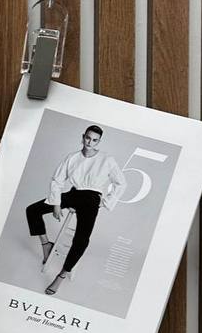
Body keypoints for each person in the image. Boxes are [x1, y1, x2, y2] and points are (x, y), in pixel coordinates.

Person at [25, 124, 127, 295]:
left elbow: (121, 183)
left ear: (99, 142)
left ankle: (62, 275)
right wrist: (56, 203)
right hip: (74, 194)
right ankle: (46, 245)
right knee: (32, 210)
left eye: (94, 140)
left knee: (82, 239)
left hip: (91, 198)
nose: (90, 142)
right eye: (88, 138)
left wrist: (105, 201)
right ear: (83, 137)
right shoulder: (72, 157)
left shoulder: (107, 159)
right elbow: (57, 180)